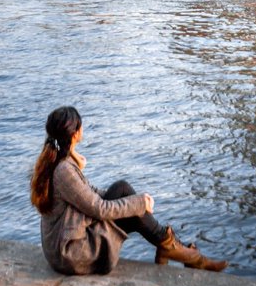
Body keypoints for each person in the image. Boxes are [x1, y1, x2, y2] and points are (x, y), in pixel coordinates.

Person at [30, 107, 227, 276]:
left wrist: (77, 159)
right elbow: (99, 209)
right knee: (132, 207)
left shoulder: (59, 161)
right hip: (72, 253)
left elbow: (89, 193)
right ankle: (183, 253)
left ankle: (173, 249)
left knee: (122, 189)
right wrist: (139, 203)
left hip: (63, 246)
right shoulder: (64, 170)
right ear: (75, 134)